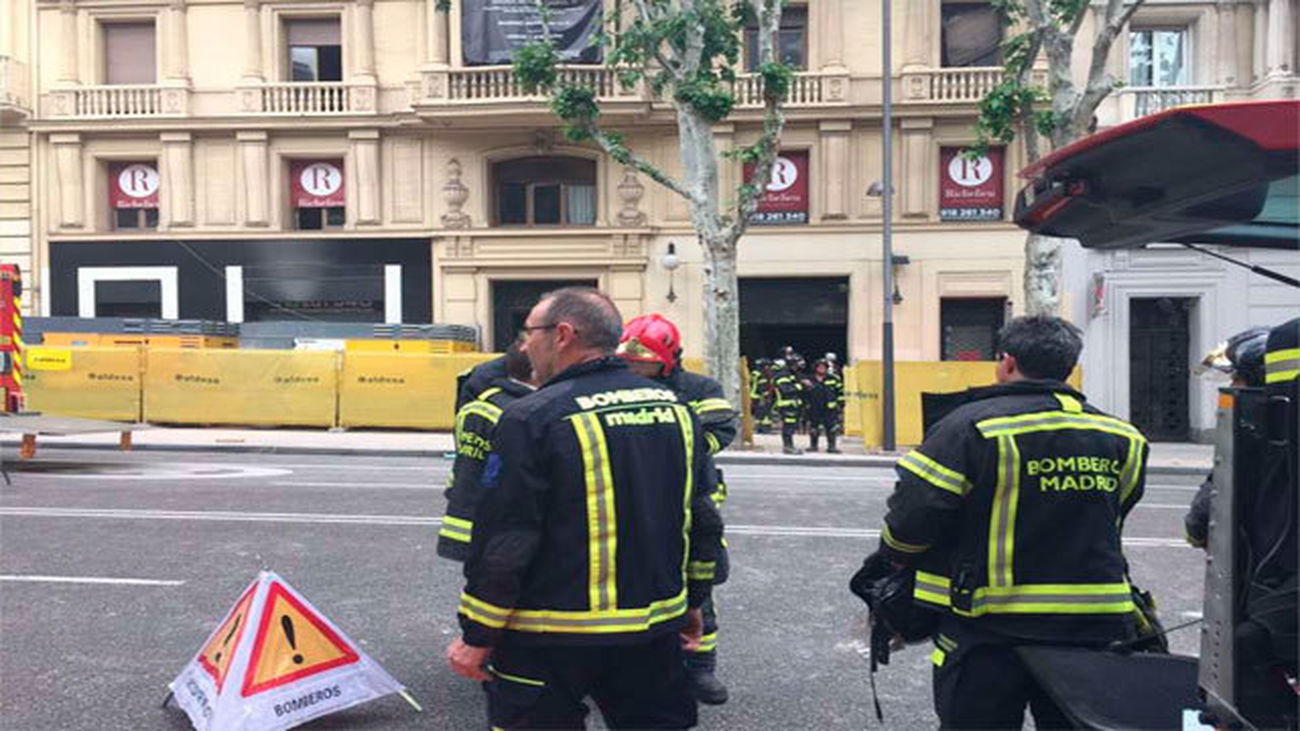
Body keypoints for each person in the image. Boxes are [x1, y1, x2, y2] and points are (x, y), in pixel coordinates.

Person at [445, 287, 724, 730]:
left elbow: (506, 539)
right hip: (651, 629)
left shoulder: (530, 417)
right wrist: (694, 602)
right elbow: (702, 521)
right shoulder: (675, 411)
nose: (523, 345)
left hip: (548, 635)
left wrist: (477, 634)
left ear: (563, 335)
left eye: (528, 332)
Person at [856, 315, 1149, 729]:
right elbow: (1114, 512)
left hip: (989, 626)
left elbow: (912, 517)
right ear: (1068, 364)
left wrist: (892, 560)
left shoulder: (969, 426)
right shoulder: (1124, 436)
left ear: (1007, 362)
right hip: (1094, 623)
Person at [616, 314, 738, 705]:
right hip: (635, 503)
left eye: (642, 361)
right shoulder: (619, 387)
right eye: (629, 360)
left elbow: (721, 429)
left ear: (667, 357)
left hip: (691, 504)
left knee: (698, 590)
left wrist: (670, 446)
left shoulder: (698, 388)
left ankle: (700, 670)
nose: (634, 367)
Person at [437, 341, 535, 561]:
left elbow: (468, 460)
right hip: (500, 529)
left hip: (470, 516)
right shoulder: (521, 414)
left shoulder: (480, 402)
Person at [1184, 326, 1270, 549]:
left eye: (1237, 378)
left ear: (1260, 380)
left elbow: (1199, 523)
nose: (1231, 386)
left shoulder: (1251, 442)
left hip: (1262, 572)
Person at [804, 359, 843, 453]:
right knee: (814, 427)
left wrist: (841, 405)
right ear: (815, 368)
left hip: (829, 408)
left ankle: (831, 447)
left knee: (831, 428)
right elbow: (804, 394)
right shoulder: (809, 379)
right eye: (819, 367)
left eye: (824, 367)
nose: (822, 369)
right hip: (814, 407)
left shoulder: (833, 379)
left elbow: (840, 392)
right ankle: (813, 446)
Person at [771, 357, 804, 455]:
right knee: (788, 426)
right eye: (796, 365)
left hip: (793, 405)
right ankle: (788, 447)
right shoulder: (782, 376)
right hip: (786, 405)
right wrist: (800, 386)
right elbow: (786, 390)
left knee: (792, 426)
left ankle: (790, 446)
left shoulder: (791, 375)